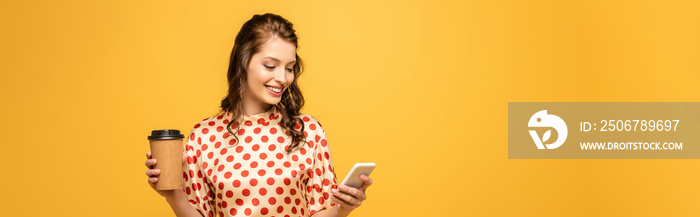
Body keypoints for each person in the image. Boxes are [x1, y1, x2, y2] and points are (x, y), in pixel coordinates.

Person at [144, 13, 373, 217]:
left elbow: (319, 210)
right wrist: (174, 195)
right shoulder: (204, 136)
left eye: (289, 67)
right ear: (243, 61)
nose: (283, 78)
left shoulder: (308, 130)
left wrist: (343, 208)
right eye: (271, 66)